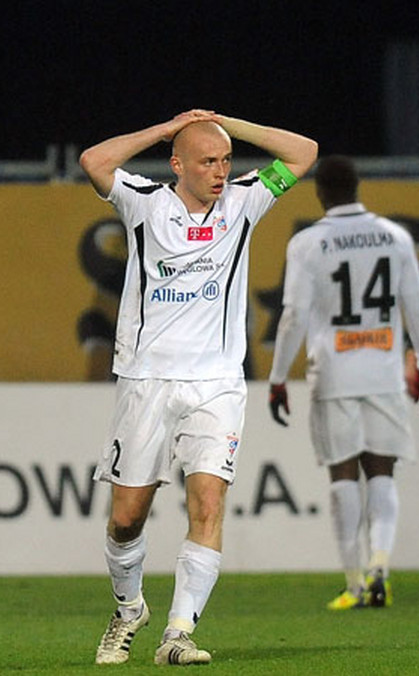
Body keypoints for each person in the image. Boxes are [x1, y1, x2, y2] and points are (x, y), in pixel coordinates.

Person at [80, 110, 317, 665]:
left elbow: (303, 150)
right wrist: (167, 128)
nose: (219, 171)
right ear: (177, 164)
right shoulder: (142, 201)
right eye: (207, 160)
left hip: (217, 384)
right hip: (147, 381)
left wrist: (225, 123)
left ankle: (178, 633)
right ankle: (129, 607)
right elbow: (94, 161)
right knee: (125, 518)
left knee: (207, 502)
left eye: (225, 160)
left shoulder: (244, 202)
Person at [266, 155, 419, 611]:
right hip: (383, 371)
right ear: (358, 187)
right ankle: (381, 564)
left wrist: (278, 377)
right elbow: (416, 305)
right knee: (381, 471)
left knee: (343, 473)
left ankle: (354, 583)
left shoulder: (308, 244)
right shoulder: (394, 236)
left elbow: (294, 316)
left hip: (334, 373)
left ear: (320, 192)